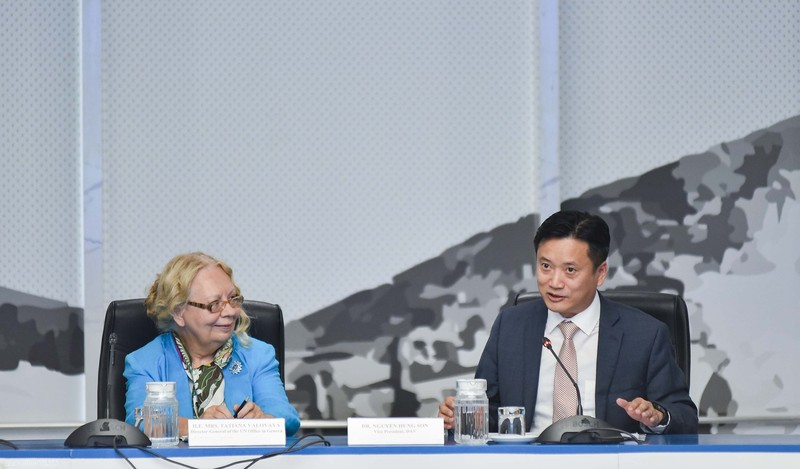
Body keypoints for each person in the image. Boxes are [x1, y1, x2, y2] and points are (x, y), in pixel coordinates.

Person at [438, 210, 698, 435]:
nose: (554, 282)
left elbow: (683, 416)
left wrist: (656, 416)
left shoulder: (644, 334)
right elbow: (492, 410)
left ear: (600, 273)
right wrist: (463, 415)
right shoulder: (511, 326)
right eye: (545, 266)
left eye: (570, 270)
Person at [124, 252, 301, 436]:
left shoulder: (258, 355)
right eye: (215, 304)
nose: (231, 312)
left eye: (233, 299)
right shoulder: (144, 362)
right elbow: (140, 422)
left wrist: (264, 420)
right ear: (178, 312)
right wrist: (199, 428)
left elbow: (286, 418)